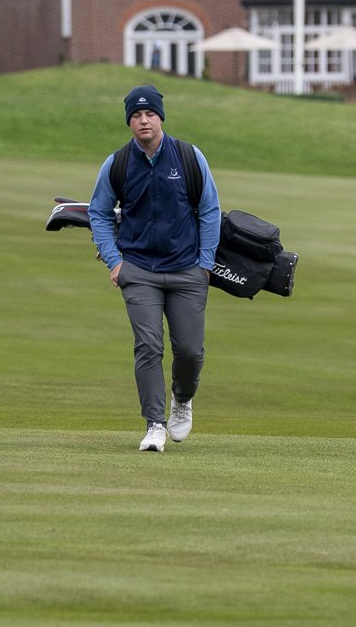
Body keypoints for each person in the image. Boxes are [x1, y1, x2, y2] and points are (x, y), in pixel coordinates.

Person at [87, 84, 221, 453]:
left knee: (190, 351)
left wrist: (205, 265)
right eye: (135, 115)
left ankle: (182, 399)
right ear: (129, 121)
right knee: (148, 346)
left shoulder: (189, 157)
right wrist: (115, 262)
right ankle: (155, 424)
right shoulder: (117, 163)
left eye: (149, 114)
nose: (143, 120)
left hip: (187, 270)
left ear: (160, 117)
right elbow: (98, 213)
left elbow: (210, 210)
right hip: (139, 269)